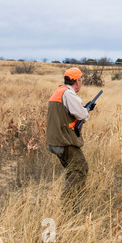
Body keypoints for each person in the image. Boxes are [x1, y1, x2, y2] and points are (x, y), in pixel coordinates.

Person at [46, 67, 94, 212]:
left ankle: (70, 206)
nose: (81, 83)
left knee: (72, 171)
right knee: (81, 169)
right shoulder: (68, 94)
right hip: (65, 141)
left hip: (54, 141)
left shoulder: (58, 91)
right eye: (80, 80)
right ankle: (69, 207)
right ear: (76, 81)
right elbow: (82, 115)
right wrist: (87, 110)